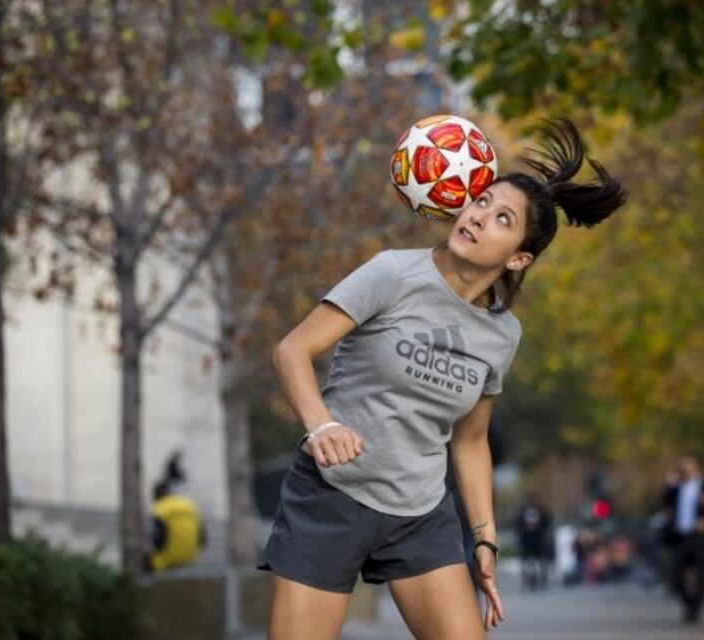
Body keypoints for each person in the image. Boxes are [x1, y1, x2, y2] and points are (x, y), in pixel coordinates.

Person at [258, 117, 626, 639]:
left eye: (502, 218)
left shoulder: (502, 335)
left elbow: (471, 442)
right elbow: (292, 349)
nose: (478, 217)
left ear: (519, 257)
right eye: (481, 202)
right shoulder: (392, 274)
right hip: (331, 496)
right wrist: (320, 425)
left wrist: (485, 538)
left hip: (419, 515)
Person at [668, 456, 704, 623]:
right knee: (677, 574)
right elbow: (665, 503)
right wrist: (669, 484)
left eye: (689, 468)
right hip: (680, 535)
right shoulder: (677, 487)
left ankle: (696, 607)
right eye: (683, 469)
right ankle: (687, 602)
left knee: (699, 572)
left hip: (698, 536)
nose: (686, 472)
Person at [514, 490, 551, 591]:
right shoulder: (523, 511)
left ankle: (542, 578)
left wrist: (543, 532)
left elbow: (547, 522)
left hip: (538, 539)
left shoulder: (540, 511)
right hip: (527, 539)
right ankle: (530, 579)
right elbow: (517, 524)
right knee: (528, 561)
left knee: (541, 560)